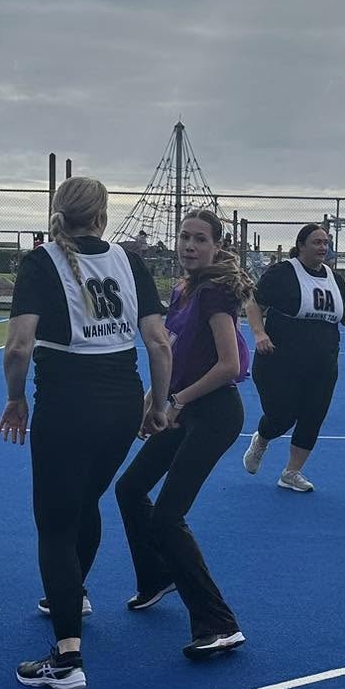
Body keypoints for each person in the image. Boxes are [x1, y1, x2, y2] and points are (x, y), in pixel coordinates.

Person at [0, 177, 169, 689]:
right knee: (87, 500)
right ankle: (74, 592)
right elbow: (159, 343)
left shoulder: (40, 262)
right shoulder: (129, 261)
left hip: (67, 405)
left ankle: (67, 657)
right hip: (121, 403)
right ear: (102, 215)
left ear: (58, 213)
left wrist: (15, 398)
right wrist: (158, 406)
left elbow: (19, 347)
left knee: (54, 526)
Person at [114, 208, 250, 660]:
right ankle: (156, 577)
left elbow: (229, 365)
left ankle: (220, 624)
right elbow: (172, 353)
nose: (189, 246)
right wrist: (153, 400)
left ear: (217, 245)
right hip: (183, 406)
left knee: (168, 517)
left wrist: (175, 401)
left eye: (200, 239)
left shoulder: (214, 293)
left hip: (215, 413)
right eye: (184, 237)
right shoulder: (183, 289)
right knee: (130, 489)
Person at [243, 222, 345, 492]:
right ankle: (262, 439)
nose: (322, 247)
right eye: (317, 242)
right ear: (301, 245)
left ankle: (292, 472)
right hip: (279, 362)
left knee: (313, 415)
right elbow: (254, 303)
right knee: (281, 417)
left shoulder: (334, 279)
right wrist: (259, 333)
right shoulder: (282, 273)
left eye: (326, 242)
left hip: (323, 363)